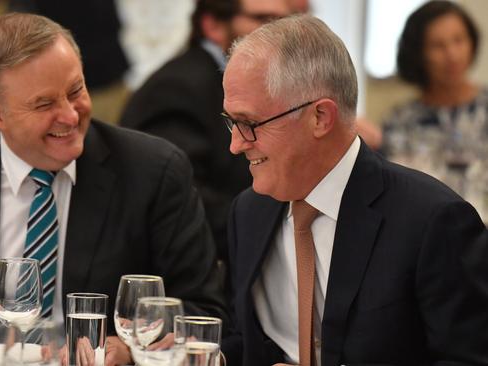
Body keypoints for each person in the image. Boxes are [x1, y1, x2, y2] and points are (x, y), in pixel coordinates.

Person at [0, 13, 227, 365]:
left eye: (76, 91)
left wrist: (130, 348)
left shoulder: (153, 172)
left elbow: (203, 310)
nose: (70, 116)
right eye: (45, 104)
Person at [221, 14, 488, 366]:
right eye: (230, 122)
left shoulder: (433, 222)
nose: (235, 145)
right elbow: (245, 339)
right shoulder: (249, 212)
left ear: (320, 117)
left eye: (250, 124)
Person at [120, 0, 292, 264]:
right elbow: (186, 200)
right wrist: (282, 232)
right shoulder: (176, 88)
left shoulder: (254, 84)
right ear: (212, 25)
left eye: (285, 21)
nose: (280, 34)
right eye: (264, 20)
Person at [382, 0, 488, 220]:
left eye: (459, 40)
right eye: (438, 46)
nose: (452, 55)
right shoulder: (401, 123)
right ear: (418, 53)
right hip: (428, 244)